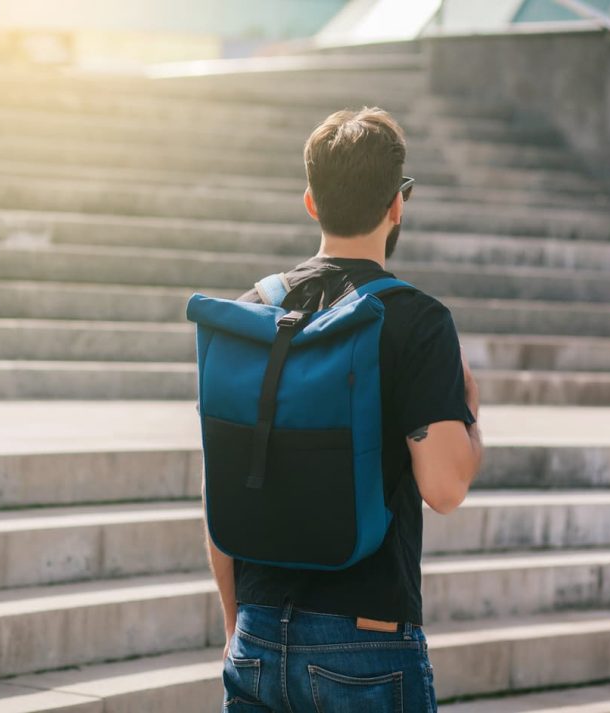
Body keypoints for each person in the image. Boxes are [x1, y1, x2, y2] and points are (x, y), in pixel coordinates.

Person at [203, 106, 483, 712]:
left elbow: (223, 489)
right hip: (368, 642)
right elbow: (446, 487)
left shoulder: (254, 311)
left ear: (310, 201)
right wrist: (470, 413)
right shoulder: (418, 322)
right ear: (397, 205)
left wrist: (235, 629)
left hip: (255, 633)